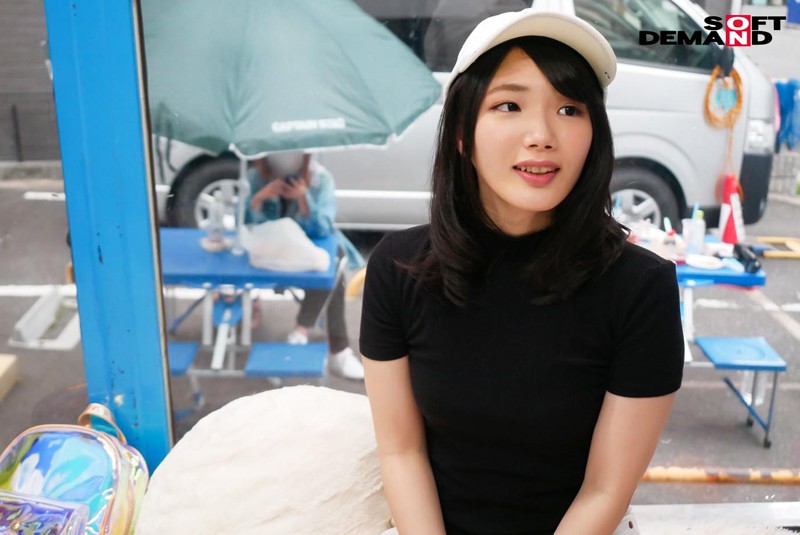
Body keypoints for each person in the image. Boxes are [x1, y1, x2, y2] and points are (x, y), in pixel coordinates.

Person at [360, 9, 684, 535]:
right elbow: (401, 452)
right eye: (509, 105)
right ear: (461, 132)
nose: (542, 135)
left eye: (569, 108)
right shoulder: (398, 270)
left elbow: (606, 490)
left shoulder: (640, 289)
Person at [247, 151, 365, 381]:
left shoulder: (320, 179)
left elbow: (324, 228)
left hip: (308, 257)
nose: (285, 159)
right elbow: (245, 230)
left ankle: (305, 334)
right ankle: (333, 348)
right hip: (269, 256)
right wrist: (259, 199)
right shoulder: (255, 178)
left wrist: (303, 200)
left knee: (334, 264)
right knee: (333, 270)